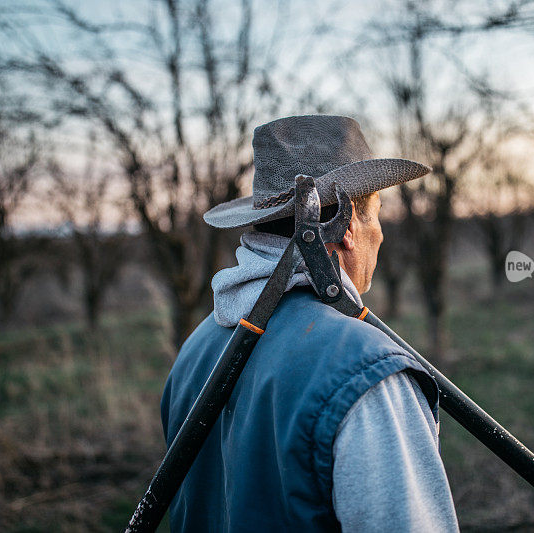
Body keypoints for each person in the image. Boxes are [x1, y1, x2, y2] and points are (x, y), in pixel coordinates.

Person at [161, 115, 460, 532]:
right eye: (377, 216)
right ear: (350, 226)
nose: (382, 235)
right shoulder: (368, 371)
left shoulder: (195, 350)